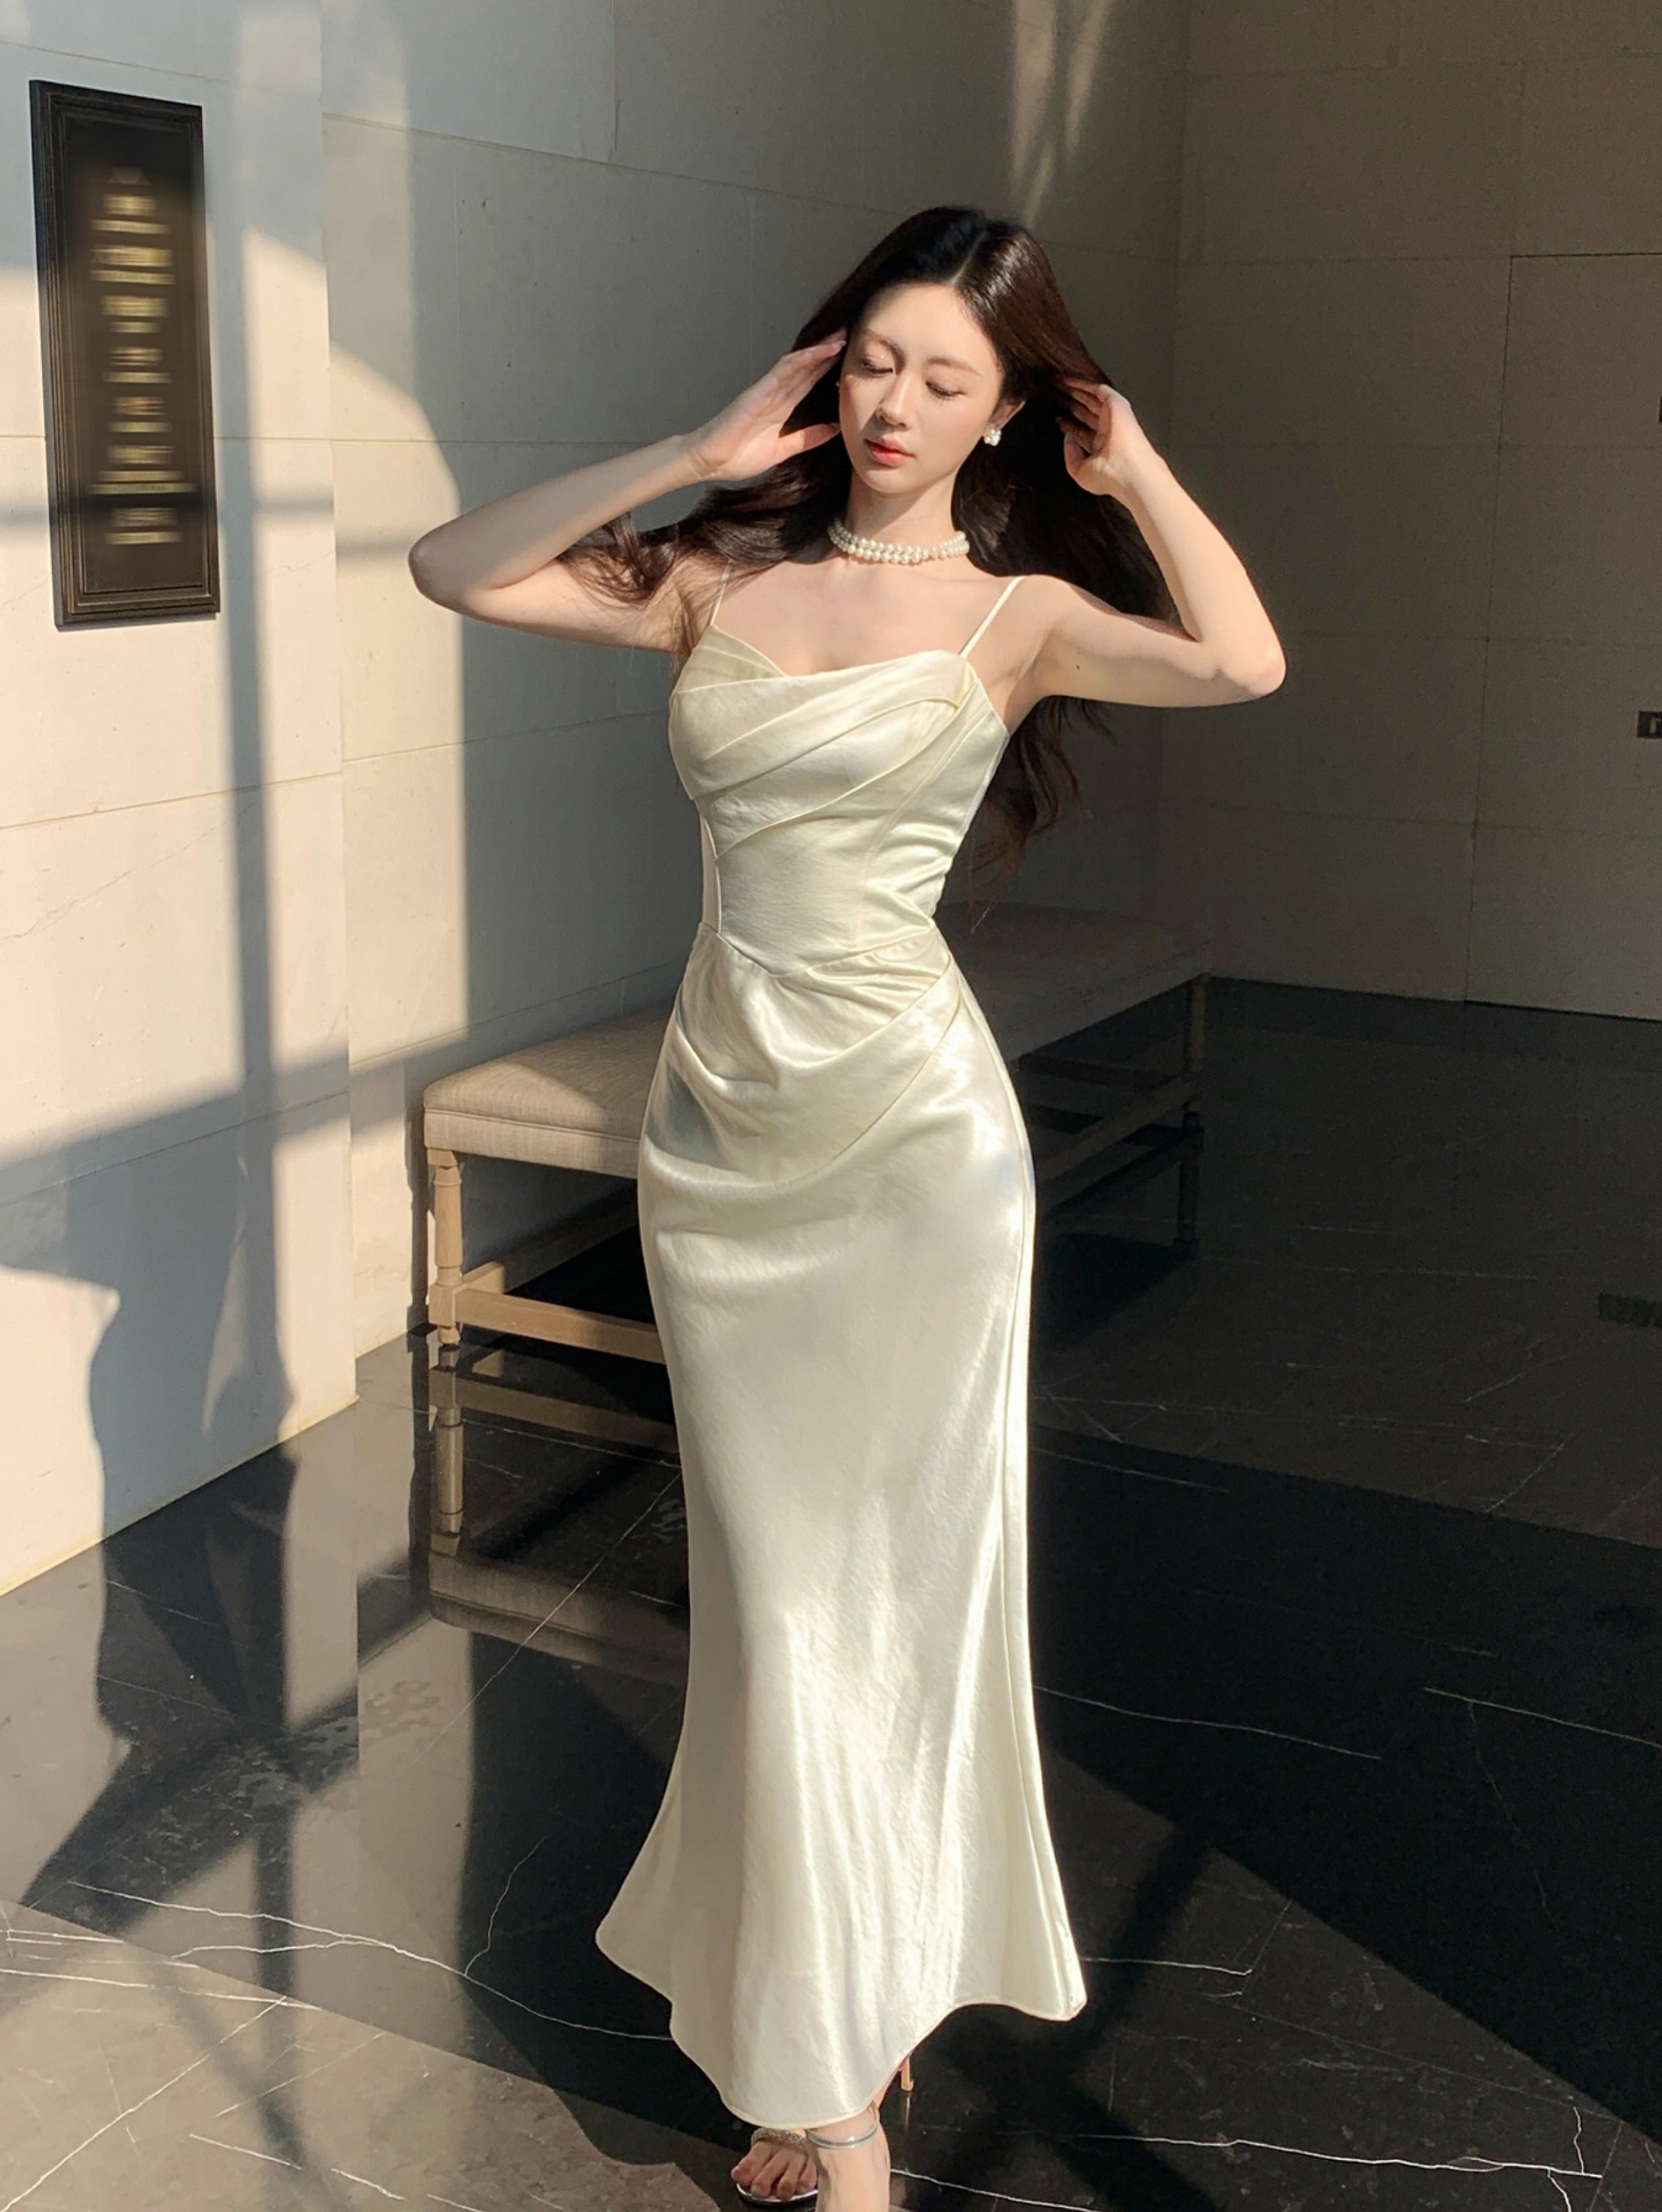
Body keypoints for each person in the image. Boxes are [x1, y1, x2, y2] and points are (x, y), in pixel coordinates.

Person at [409, 204, 1284, 2212]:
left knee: (894, 1599)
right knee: (775, 1604)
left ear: (1008, 413)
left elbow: (1244, 659)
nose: (897, 403)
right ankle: (828, 2011)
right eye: (876, 358)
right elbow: (454, 565)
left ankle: (837, 2086)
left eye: (946, 377)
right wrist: (696, 455)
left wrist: (1139, 472)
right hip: (725, 1146)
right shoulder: (719, 573)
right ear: (830, 364)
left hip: (915, 1158)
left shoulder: (1017, 614)